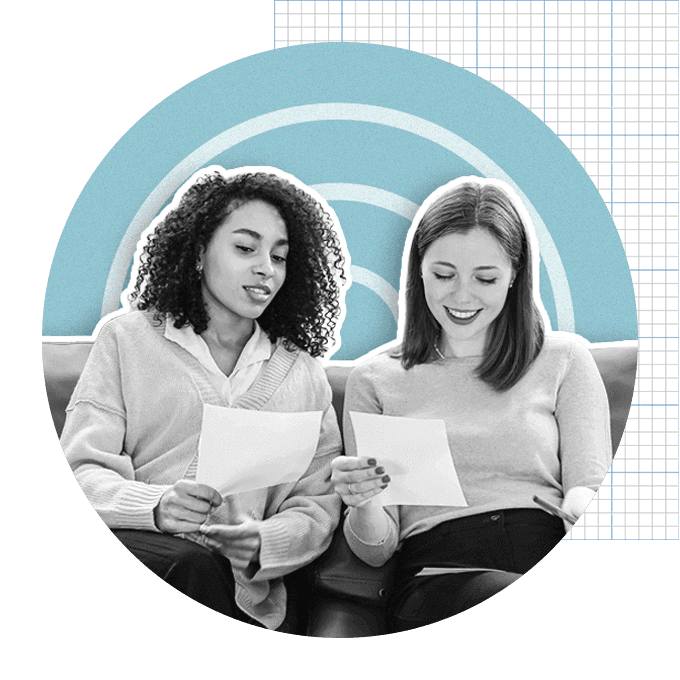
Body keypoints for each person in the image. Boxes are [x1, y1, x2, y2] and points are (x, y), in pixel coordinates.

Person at [62, 167, 347, 632]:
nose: (266, 269)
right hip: (140, 552)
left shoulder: (303, 374)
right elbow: (79, 472)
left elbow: (317, 504)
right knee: (191, 566)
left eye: (280, 256)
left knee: (208, 575)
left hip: (241, 586)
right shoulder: (127, 339)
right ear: (198, 252)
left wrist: (266, 540)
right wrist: (155, 506)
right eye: (245, 248)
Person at [331, 177, 611, 633]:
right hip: (441, 575)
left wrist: (584, 508)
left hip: (542, 547)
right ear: (418, 271)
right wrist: (362, 502)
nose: (462, 297)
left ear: (515, 276)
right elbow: (376, 549)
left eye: (485, 278)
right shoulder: (377, 380)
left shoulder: (564, 359)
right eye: (444, 275)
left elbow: (586, 482)